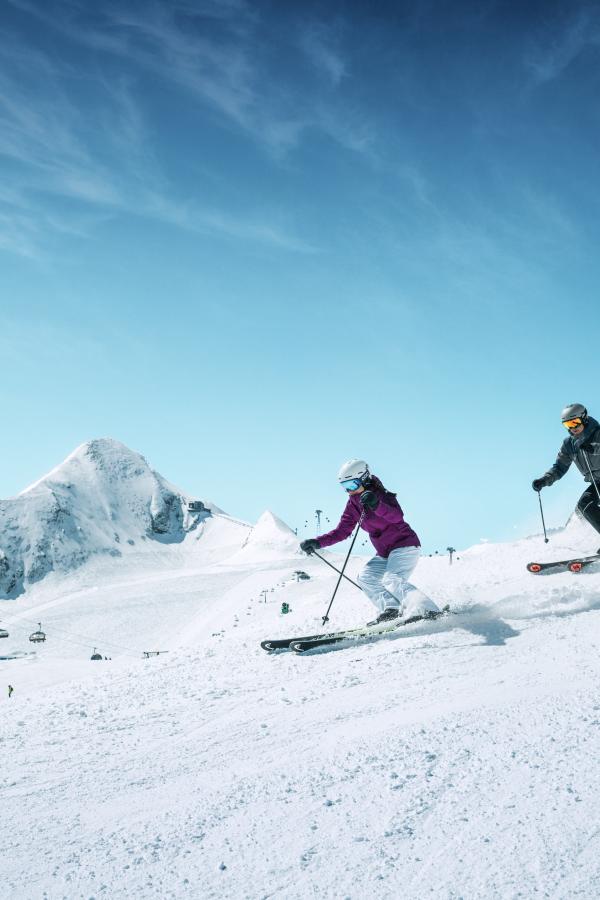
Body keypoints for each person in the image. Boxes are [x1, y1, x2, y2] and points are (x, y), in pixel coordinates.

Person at [300, 459, 440, 625]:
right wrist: (317, 542)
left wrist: (376, 504)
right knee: (366, 577)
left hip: (404, 545)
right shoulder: (353, 504)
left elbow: (397, 516)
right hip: (384, 552)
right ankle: (391, 609)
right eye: (345, 486)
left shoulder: (381, 495)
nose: (348, 491)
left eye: (352, 485)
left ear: (364, 478)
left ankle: (428, 610)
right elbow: (342, 531)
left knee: (392, 579)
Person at [532, 403, 600, 539]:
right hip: (598, 482)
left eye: (575, 422)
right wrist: (544, 480)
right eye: (568, 425)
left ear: (584, 418)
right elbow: (559, 467)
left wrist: (595, 448)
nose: (573, 428)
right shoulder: (569, 445)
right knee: (584, 506)